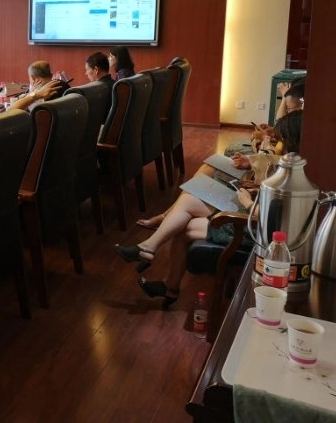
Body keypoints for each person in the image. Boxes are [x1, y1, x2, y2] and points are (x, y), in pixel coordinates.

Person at [115, 110, 303, 308]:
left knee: (186, 213)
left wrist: (247, 201)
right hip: (252, 217)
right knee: (186, 213)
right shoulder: (292, 166)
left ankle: (155, 260)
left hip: (252, 229)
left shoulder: (291, 175)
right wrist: (256, 190)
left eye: (280, 140)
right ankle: (159, 268)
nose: (277, 143)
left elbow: (269, 217)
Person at [84, 51, 115, 121]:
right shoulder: (115, 84)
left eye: (87, 69)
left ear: (96, 70)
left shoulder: (95, 91)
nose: (86, 73)